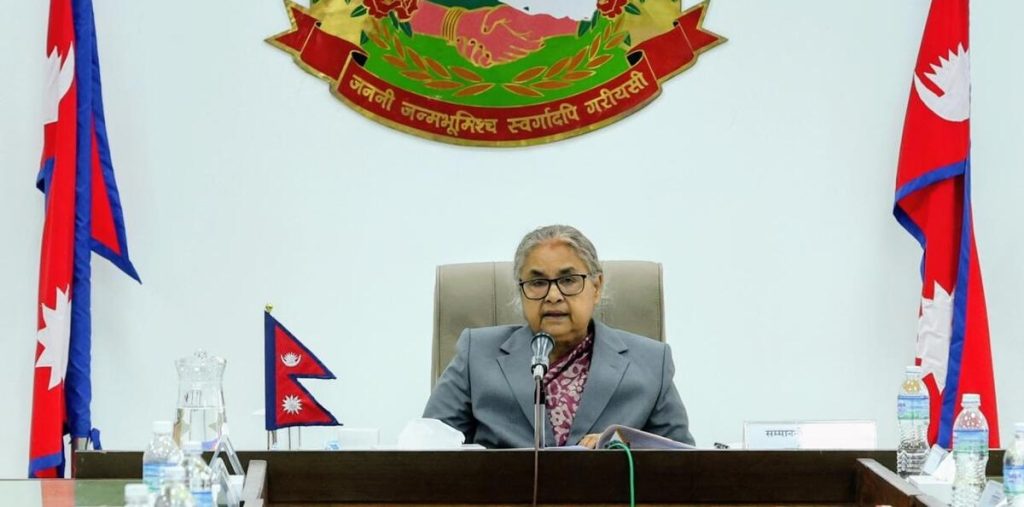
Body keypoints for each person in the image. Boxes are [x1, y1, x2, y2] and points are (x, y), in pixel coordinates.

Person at [423, 225, 694, 448]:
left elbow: (684, 466)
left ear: (596, 287)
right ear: (520, 290)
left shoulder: (651, 362)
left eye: (568, 280)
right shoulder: (477, 355)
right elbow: (427, 452)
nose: (553, 296)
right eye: (537, 283)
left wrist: (625, 448)